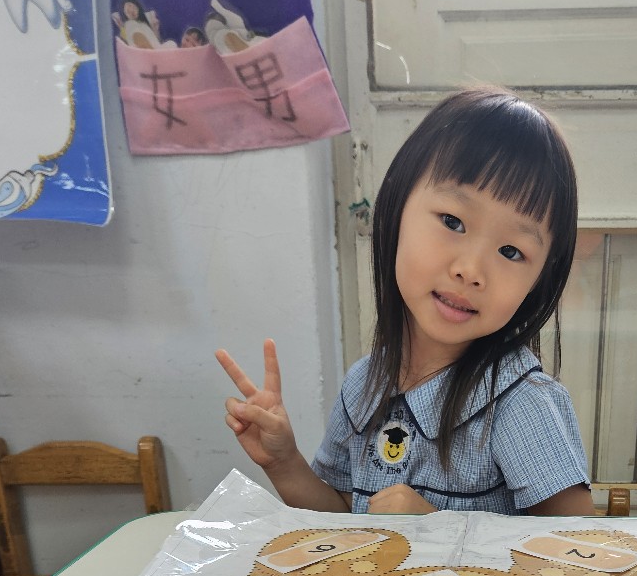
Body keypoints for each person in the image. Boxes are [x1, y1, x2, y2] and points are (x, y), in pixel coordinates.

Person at [218, 85, 594, 516]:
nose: (470, 270)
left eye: (511, 251)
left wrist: (438, 529)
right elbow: (340, 516)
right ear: (397, 210)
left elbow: (574, 540)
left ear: (538, 281)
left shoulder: (520, 402)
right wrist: (283, 462)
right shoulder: (362, 385)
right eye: (452, 221)